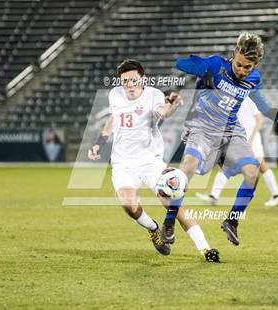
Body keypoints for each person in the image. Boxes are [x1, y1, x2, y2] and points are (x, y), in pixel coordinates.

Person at [88, 59, 219, 262]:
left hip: (150, 161)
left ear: (142, 79)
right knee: (128, 205)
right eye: (125, 81)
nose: (129, 85)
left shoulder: (153, 95)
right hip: (122, 163)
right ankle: (153, 228)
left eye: (133, 80)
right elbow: (113, 118)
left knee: (171, 203)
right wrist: (99, 142)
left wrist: (172, 104)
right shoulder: (115, 94)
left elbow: (163, 111)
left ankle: (205, 248)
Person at [161, 32, 278, 246]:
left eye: (248, 67)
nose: (242, 71)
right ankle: (170, 220)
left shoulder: (253, 80)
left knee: (252, 172)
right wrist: (203, 73)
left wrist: (276, 115)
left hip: (230, 131)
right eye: (239, 64)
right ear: (234, 54)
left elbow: (260, 102)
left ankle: (232, 221)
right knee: (188, 166)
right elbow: (180, 63)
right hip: (202, 128)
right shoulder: (216, 65)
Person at [196, 97, 278, 207]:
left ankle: (276, 195)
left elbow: (259, 119)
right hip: (240, 138)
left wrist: (251, 138)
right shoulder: (233, 99)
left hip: (252, 139)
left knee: (261, 165)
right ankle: (214, 196)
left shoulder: (250, 98)